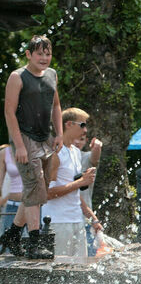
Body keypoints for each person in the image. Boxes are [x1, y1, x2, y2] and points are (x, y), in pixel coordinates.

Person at [0, 35, 62, 259]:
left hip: (45, 136)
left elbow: (56, 106)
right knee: (35, 187)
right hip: (24, 137)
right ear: (28, 54)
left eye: (48, 53)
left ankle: (13, 233)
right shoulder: (17, 77)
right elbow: (9, 112)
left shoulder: (52, 75)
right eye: (39, 54)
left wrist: (60, 134)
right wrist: (19, 146)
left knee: (37, 190)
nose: (44, 58)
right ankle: (35, 242)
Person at [41, 108, 101, 258]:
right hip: (58, 223)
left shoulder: (75, 152)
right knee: (59, 271)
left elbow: (74, 192)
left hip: (77, 222)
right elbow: (46, 193)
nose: (85, 130)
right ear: (68, 124)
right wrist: (81, 182)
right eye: (82, 125)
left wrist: (93, 219)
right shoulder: (55, 152)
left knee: (79, 274)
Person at [72, 131, 102, 210]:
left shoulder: (87, 157)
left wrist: (96, 147)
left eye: (81, 139)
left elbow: (95, 158)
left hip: (84, 213)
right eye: (74, 138)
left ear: (86, 141)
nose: (77, 142)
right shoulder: (58, 156)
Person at [0, 144, 23, 233]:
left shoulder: (35, 148)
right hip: (12, 205)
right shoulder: (4, 153)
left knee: (31, 244)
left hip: (31, 206)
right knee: (8, 244)